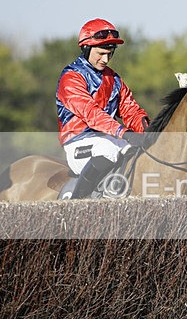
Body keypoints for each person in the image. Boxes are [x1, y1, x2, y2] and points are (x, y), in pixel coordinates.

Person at [56, 18, 150, 199]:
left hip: (111, 138)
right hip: (79, 142)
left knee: (138, 152)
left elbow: (131, 110)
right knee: (107, 149)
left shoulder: (114, 79)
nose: (106, 59)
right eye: (100, 53)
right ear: (86, 48)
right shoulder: (71, 77)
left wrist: (148, 130)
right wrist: (124, 132)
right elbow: (92, 114)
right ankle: (77, 206)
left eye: (110, 53)